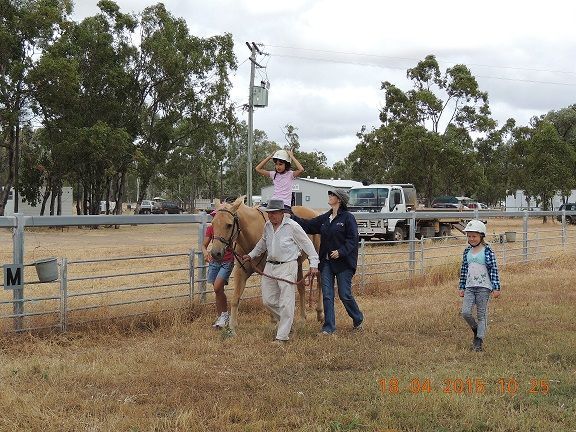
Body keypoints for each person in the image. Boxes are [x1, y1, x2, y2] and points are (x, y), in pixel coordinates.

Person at [241, 199, 319, 343]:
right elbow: (262, 244)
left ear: (283, 213)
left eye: (274, 213)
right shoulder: (268, 226)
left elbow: (307, 244)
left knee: (286, 301)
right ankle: (288, 323)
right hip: (270, 266)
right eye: (269, 213)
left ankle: (281, 337)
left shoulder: (293, 226)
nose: (271, 216)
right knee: (268, 300)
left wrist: (314, 263)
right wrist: (251, 255)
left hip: (287, 266)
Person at [291, 189, 364, 335]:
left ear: (339, 200)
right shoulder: (326, 217)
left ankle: (358, 319)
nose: (329, 197)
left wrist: (341, 252)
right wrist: (291, 216)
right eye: (330, 195)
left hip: (344, 264)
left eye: (332, 195)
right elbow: (309, 225)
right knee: (328, 294)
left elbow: (352, 240)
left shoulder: (348, 218)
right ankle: (329, 327)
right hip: (326, 263)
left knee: (344, 294)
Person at [458, 219, 501, 352]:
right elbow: (464, 270)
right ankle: (476, 330)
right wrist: (461, 286)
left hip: (484, 287)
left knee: (481, 315)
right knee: (465, 312)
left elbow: (493, 269)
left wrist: (496, 287)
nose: (471, 239)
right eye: (469, 236)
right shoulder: (467, 252)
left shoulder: (487, 251)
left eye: (474, 236)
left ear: (481, 236)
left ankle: (478, 341)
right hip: (470, 287)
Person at [203, 209, 234, 328]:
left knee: (217, 287)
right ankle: (222, 317)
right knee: (218, 291)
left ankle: (224, 315)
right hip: (214, 261)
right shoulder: (211, 229)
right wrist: (205, 252)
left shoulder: (228, 228)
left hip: (227, 261)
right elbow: (203, 245)